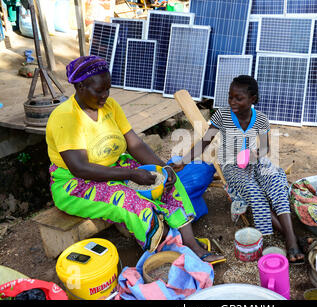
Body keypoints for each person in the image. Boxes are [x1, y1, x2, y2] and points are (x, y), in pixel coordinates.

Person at [45, 55, 225, 264]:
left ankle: (190, 243)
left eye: (108, 89)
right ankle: (168, 253)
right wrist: (130, 173)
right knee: (132, 202)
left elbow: (135, 144)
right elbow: (80, 168)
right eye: (99, 91)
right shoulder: (65, 117)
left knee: (166, 180)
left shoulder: (110, 106)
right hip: (75, 184)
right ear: (80, 86)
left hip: (114, 167)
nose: (105, 96)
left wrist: (165, 168)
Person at [173, 75, 305, 264]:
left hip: (254, 160)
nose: (232, 102)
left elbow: (266, 147)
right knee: (254, 190)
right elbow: (205, 141)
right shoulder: (223, 116)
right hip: (230, 165)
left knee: (275, 179)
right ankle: (278, 240)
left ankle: (291, 238)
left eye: (239, 98)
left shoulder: (260, 119)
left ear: (253, 99)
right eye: (230, 96)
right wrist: (185, 161)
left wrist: (254, 155)